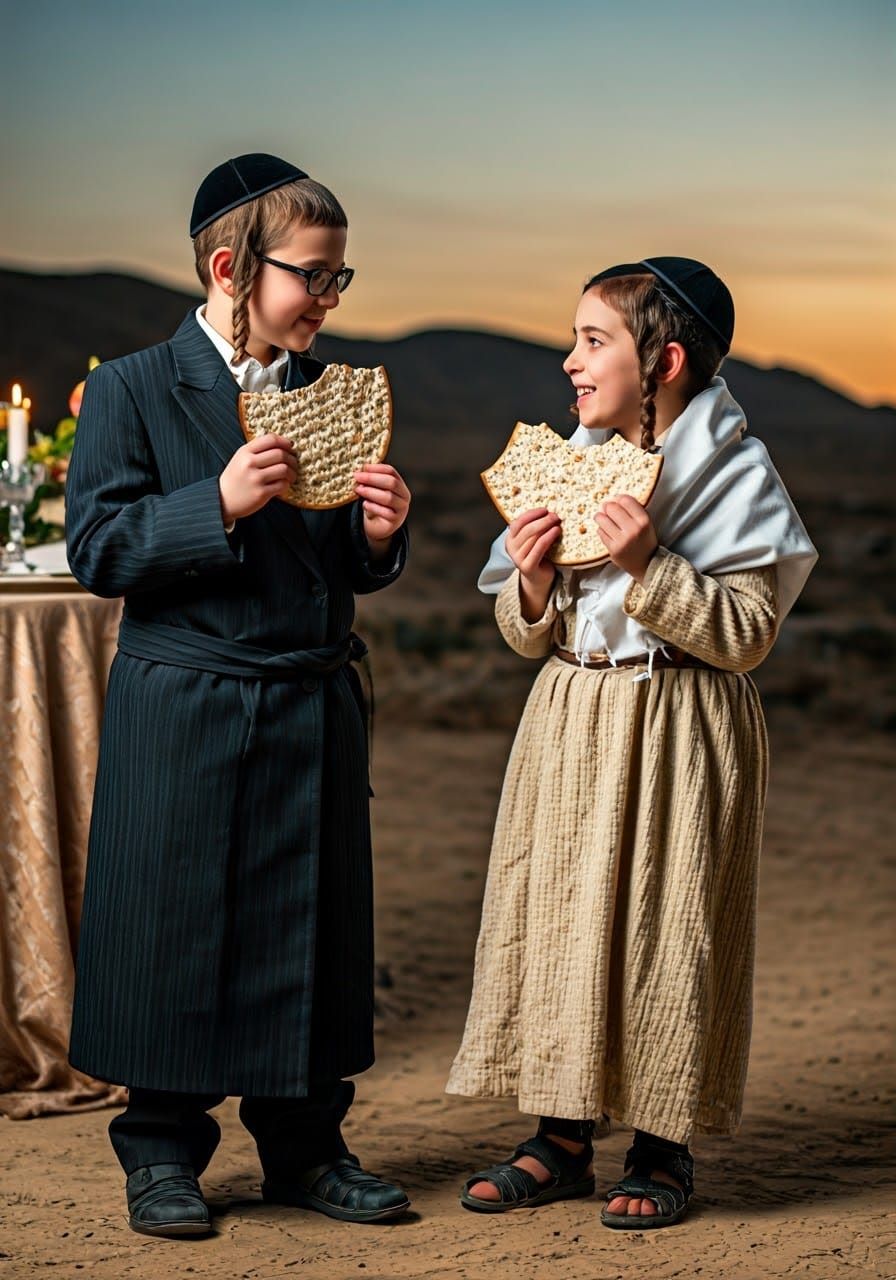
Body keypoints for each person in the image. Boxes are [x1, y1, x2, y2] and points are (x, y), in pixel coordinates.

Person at [65, 154, 412, 1238]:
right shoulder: (129, 388)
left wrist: (375, 538)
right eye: (313, 274)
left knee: (304, 926)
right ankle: (161, 1151)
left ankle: (307, 1149)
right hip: (185, 699)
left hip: (308, 698)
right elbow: (98, 549)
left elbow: (336, 566)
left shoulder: (334, 394)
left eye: (340, 276)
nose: (330, 297)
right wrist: (210, 502)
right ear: (230, 269)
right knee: (169, 925)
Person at [446, 257, 817, 1228]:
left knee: (666, 928)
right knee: (558, 922)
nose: (570, 361)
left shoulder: (735, 474)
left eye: (592, 340)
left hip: (680, 724)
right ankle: (560, 1137)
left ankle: (661, 1146)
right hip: (571, 719)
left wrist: (650, 564)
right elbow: (526, 629)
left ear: (665, 360)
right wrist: (531, 584)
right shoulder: (574, 463)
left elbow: (745, 634)